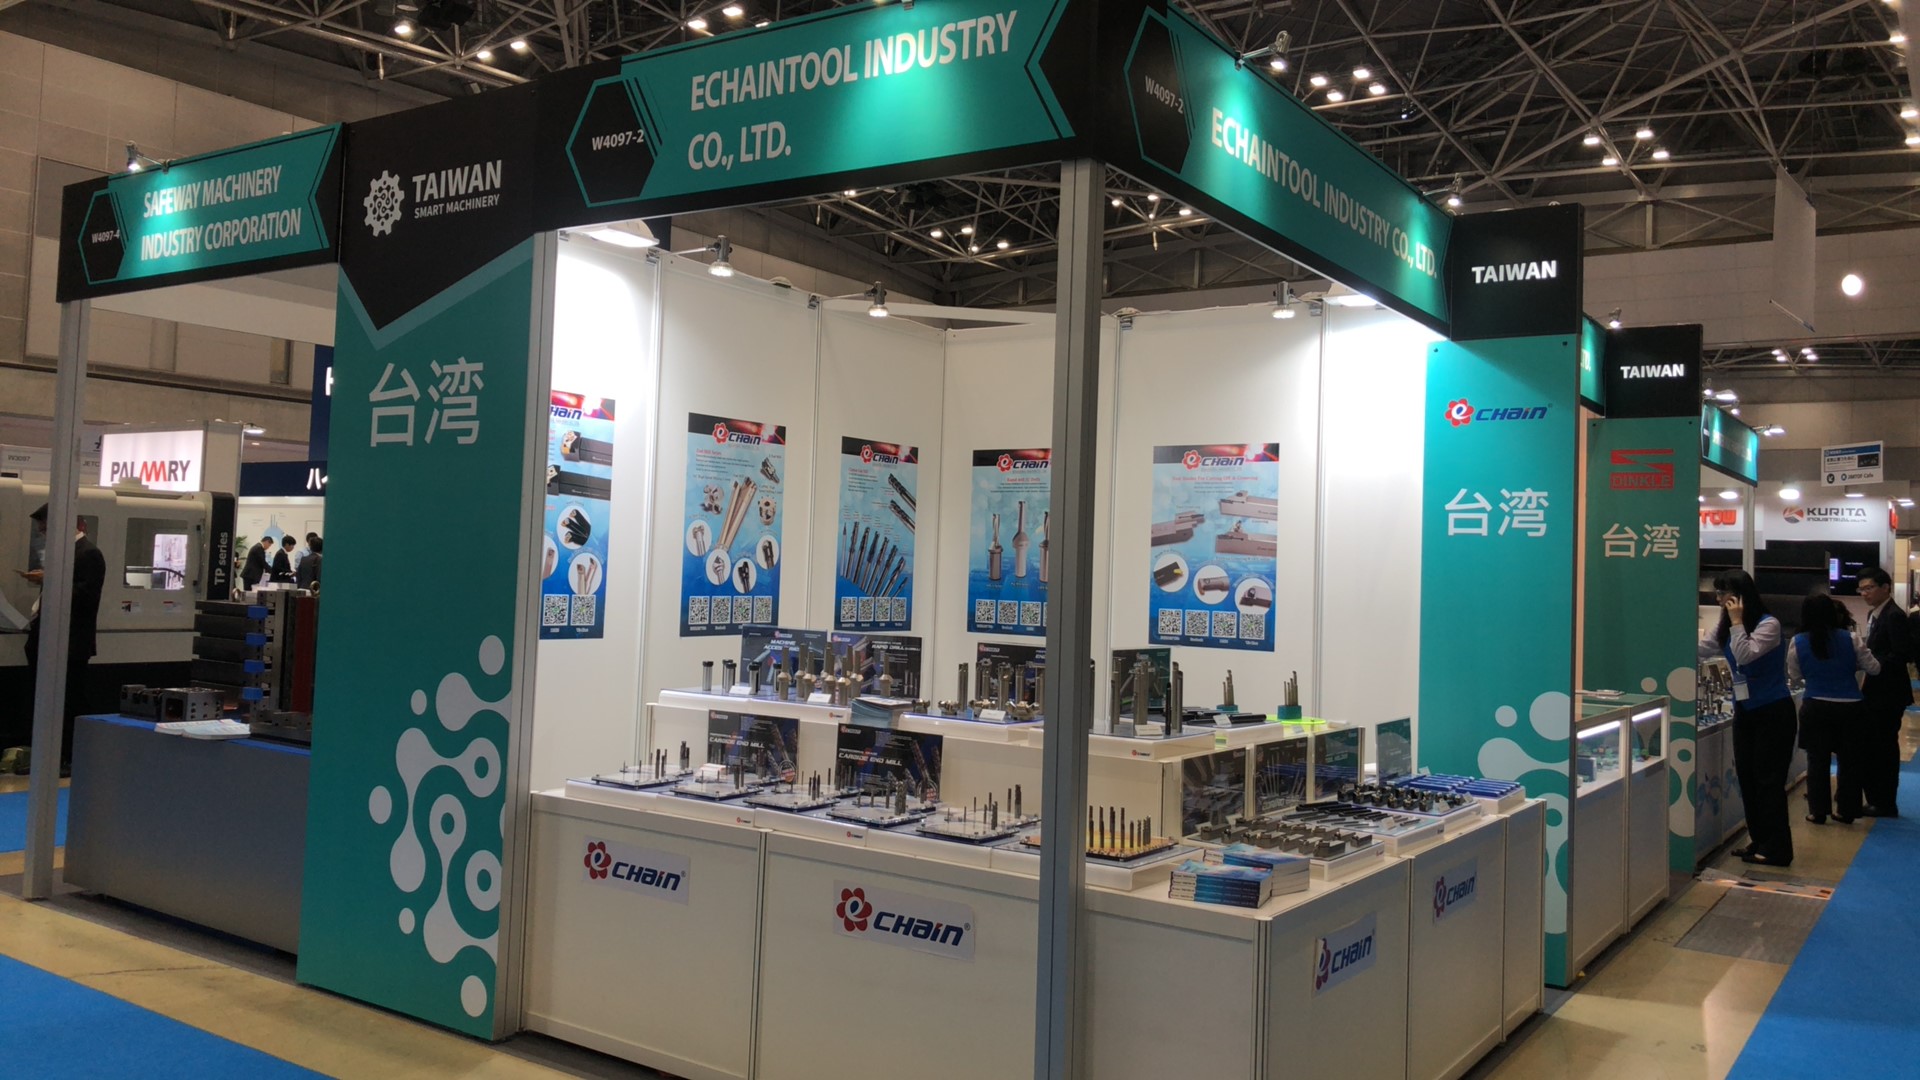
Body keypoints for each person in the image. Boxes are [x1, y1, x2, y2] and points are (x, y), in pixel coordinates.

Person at [1699, 569, 1796, 866]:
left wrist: (1737, 622)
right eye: (1717, 593)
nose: (1719, 599)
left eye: (1723, 593)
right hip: (1745, 710)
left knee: (1769, 781)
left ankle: (1777, 848)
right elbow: (1703, 649)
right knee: (1748, 778)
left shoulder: (1769, 625)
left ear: (1740, 597)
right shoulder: (1725, 627)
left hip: (1773, 711)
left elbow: (1744, 655)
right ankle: (1760, 840)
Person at [19, 504, 106, 771]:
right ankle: (49, 754)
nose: (44, 535)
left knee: (69, 701)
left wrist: (51, 580)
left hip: (69, 644)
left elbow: (86, 598)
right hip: (47, 640)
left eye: (46, 529)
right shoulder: (62, 555)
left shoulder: (88, 554)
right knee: (47, 701)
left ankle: (70, 755)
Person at [1788, 592, 1878, 825]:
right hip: (1850, 706)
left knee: (1817, 761)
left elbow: (1794, 676)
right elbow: (1874, 668)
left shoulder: (1798, 641)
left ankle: (1818, 811)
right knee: (1850, 761)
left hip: (1815, 705)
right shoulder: (1851, 638)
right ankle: (1847, 810)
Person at [1854, 567, 1912, 817]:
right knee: (1874, 746)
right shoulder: (1874, 614)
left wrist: (1872, 663)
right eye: (1861, 589)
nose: (1864, 593)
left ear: (1885, 588)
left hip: (1888, 693)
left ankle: (1885, 802)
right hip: (1874, 691)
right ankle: (1876, 798)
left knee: (1884, 748)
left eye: (1869, 588)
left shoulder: (1894, 616)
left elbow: (1902, 654)